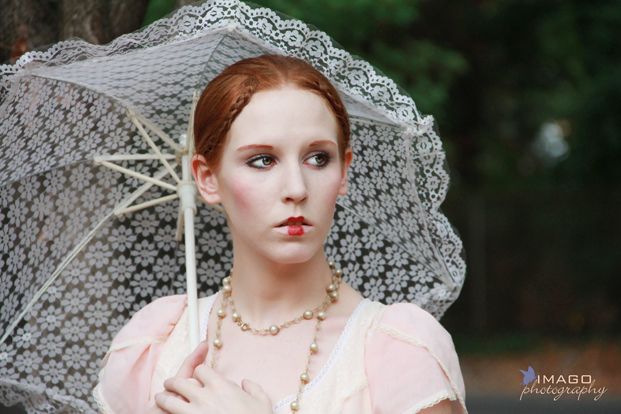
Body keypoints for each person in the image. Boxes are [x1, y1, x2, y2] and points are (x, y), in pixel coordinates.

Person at [93, 55, 467, 414]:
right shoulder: (157, 345)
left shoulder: (398, 350)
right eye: (263, 160)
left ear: (344, 172)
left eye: (318, 158)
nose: (296, 188)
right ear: (207, 178)